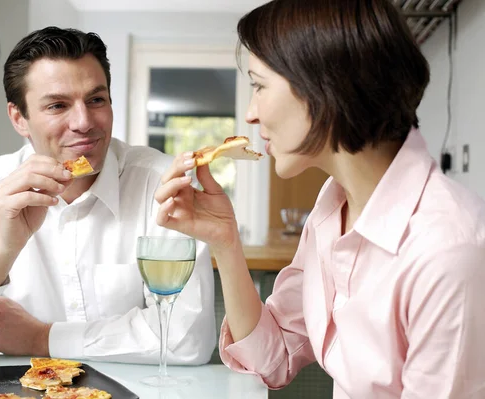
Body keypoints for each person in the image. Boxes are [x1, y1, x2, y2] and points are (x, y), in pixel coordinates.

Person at [155, 0, 485, 397]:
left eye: (259, 86)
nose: (250, 114)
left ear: (324, 86)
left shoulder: (448, 253)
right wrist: (225, 242)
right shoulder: (332, 209)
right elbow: (271, 358)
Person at [0, 27, 216, 364]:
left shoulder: (162, 183)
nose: (84, 122)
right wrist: (3, 246)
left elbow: (188, 338)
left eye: (96, 100)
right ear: (19, 118)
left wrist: (43, 338)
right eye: (57, 105)